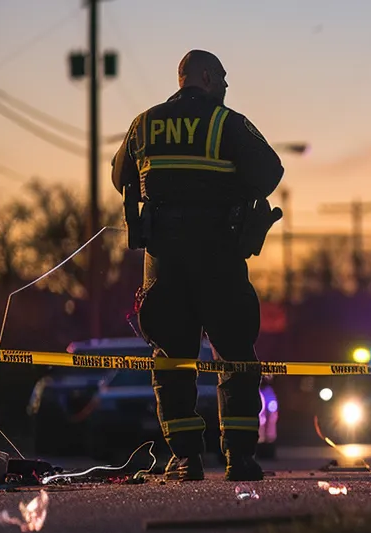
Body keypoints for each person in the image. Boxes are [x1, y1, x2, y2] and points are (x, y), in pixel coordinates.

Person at [111, 50, 283, 481]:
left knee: (171, 359)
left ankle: (186, 458)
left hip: (163, 265)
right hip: (219, 257)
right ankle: (240, 458)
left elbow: (120, 178)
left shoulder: (144, 124)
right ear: (205, 77)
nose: (226, 86)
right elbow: (269, 172)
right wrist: (229, 189)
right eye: (222, 78)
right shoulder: (227, 123)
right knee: (236, 356)